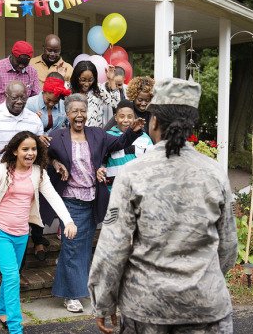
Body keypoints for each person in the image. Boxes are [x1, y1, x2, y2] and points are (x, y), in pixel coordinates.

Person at [88, 78, 238, 334]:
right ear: (192, 125)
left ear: (154, 121)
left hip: (146, 310)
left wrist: (103, 302)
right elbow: (228, 247)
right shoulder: (214, 173)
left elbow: (113, 248)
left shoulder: (132, 173)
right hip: (207, 307)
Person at [0, 131, 77, 334]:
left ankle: (1, 309)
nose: (30, 153)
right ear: (15, 151)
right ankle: (15, 327)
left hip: (21, 234)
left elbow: (53, 197)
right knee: (11, 276)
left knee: (10, 276)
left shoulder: (38, 172)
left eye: (34, 149)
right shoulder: (2, 170)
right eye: (25, 149)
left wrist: (68, 221)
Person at [40, 93, 144, 313]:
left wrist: (132, 131)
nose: (79, 115)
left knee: (83, 247)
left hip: (92, 199)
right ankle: (72, 296)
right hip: (69, 199)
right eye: (75, 111)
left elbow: (119, 143)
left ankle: (69, 290)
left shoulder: (97, 134)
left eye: (83, 111)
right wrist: (57, 162)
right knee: (72, 246)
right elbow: (44, 155)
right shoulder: (57, 136)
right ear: (67, 114)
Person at [0, 80, 44, 286]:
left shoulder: (33, 119)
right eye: (15, 98)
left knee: (21, 225)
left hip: (24, 182)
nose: (20, 101)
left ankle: (16, 272)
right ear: (5, 96)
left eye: (23, 97)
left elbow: (36, 150)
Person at [25, 73, 71, 260]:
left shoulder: (62, 105)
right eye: (49, 100)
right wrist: (36, 135)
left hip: (53, 157)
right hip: (31, 157)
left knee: (46, 198)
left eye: (55, 101)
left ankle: (38, 238)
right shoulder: (30, 104)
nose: (52, 104)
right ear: (43, 92)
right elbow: (20, 130)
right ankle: (34, 239)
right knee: (32, 197)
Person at [97, 100, 153, 191]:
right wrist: (101, 169)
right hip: (113, 192)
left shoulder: (145, 138)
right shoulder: (107, 136)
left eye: (130, 117)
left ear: (134, 117)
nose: (126, 120)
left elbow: (151, 163)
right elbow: (101, 162)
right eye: (122, 116)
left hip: (137, 191)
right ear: (115, 117)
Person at [68, 61, 120, 127]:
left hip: (94, 134)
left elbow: (116, 103)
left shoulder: (98, 89)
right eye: (83, 80)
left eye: (90, 80)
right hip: (72, 134)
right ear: (76, 78)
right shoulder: (68, 89)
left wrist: (112, 79)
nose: (87, 84)